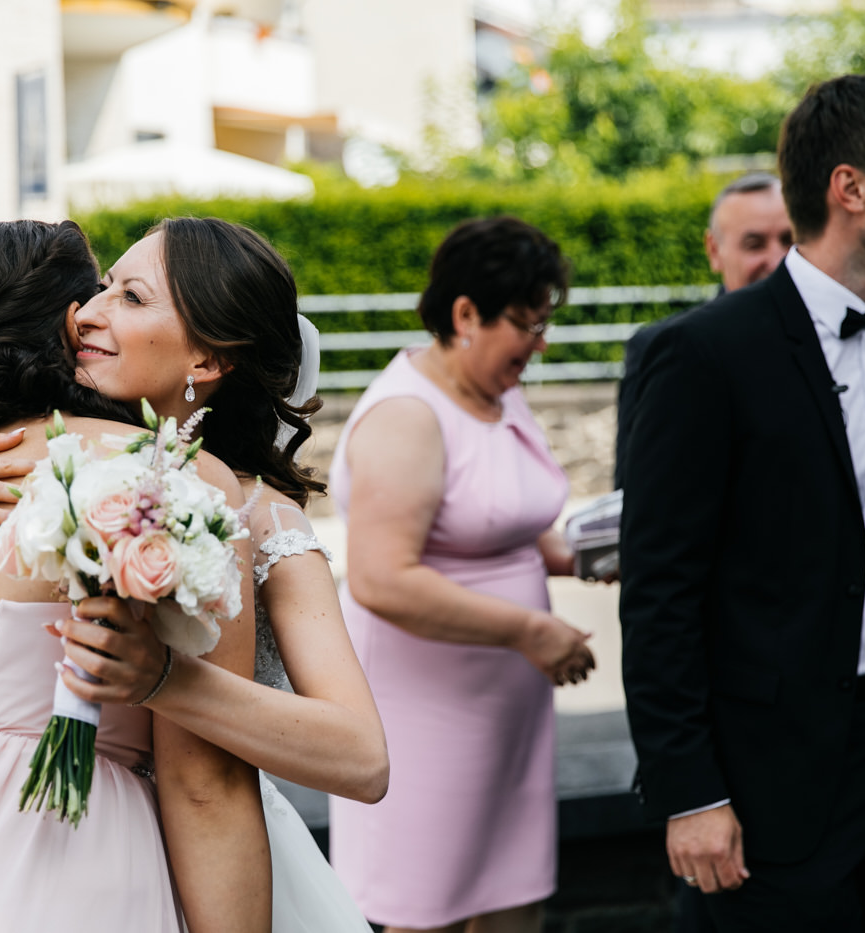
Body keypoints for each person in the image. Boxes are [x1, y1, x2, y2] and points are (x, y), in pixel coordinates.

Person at [0, 217, 387, 932]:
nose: (93, 314)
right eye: (98, 293)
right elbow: (203, 791)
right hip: (93, 872)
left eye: (128, 296)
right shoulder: (165, 481)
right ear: (61, 329)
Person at [619, 74, 865, 931]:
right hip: (762, 783)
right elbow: (660, 588)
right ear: (851, 188)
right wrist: (690, 789)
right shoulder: (702, 356)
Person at [327, 216, 597, 933]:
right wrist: (530, 629)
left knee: (514, 900)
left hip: (508, 710)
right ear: (466, 312)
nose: (538, 345)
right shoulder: (408, 416)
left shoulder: (499, 387)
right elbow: (381, 578)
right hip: (425, 713)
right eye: (525, 324)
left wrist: (593, 553)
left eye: (545, 324)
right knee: (427, 909)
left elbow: (509, 520)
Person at [615, 172, 793, 488]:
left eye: (788, 241)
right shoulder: (660, 348)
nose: (776, 260)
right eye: (754, 244)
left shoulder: (839, 337)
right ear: (714, 251)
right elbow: (637, 491)